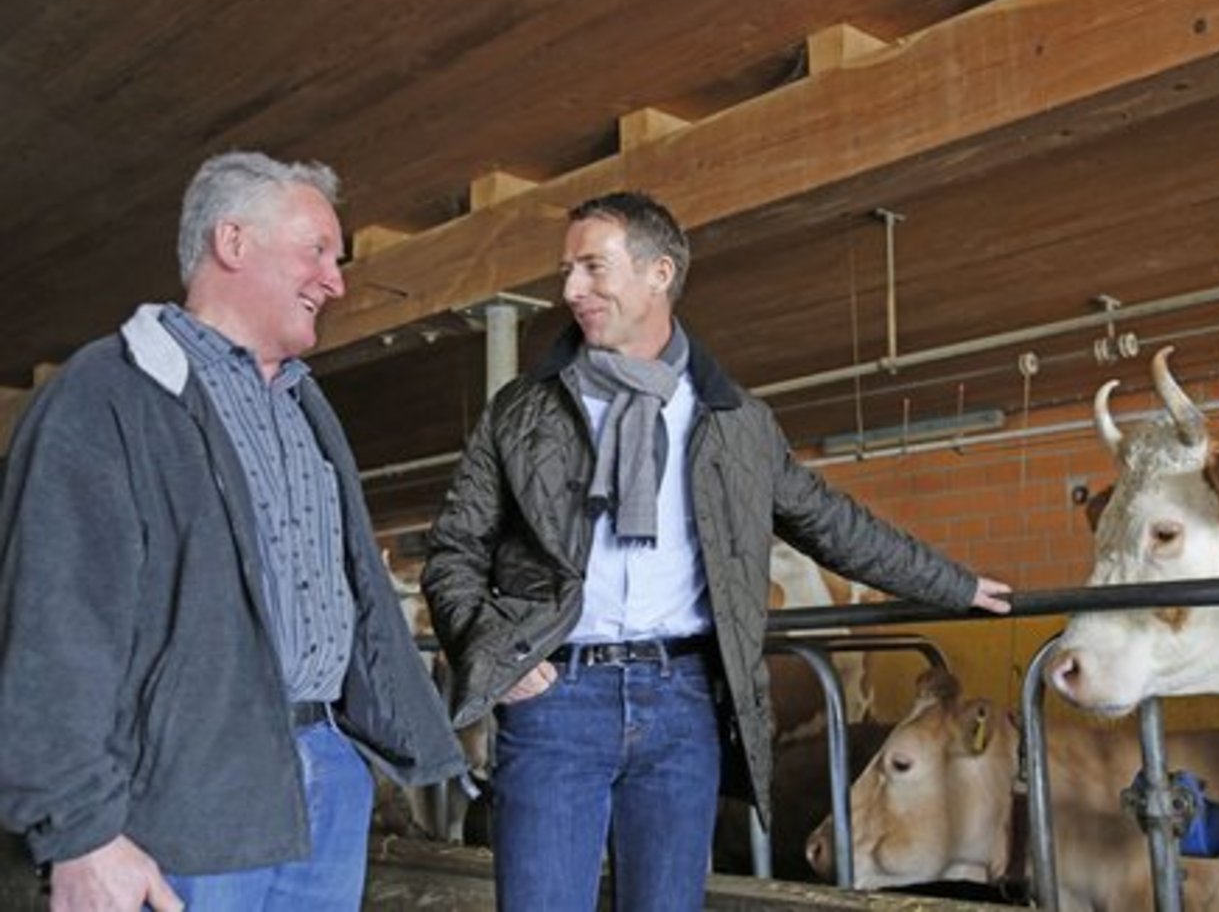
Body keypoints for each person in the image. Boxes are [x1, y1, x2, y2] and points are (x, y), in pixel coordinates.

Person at [421, 190, 1012, 912]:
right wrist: (496, 653)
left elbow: (831, 522)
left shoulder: (733, 418)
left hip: (683, 701)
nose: (571, 289)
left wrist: (955, 584)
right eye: (567, 270)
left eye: (593, 267)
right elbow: (454, 550)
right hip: (555, 700)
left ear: (659, 273)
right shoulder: (521, 410)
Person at [0, 151, 468, 911]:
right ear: (233, 241)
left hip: (326, 769)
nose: (336, 281)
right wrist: (79, 830)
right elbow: (56, 620)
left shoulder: (303, 407)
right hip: (187, 791)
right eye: (318, 250)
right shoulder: (108, 393)